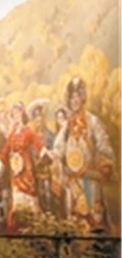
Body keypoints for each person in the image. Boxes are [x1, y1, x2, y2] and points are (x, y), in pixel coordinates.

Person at [53, 77, 115, 233]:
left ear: (82, 98)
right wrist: (55, 157)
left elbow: (104, 147)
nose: (74, 101)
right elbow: (58, 148)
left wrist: (105, 164)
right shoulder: (67, 126)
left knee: (95, 219)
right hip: (73, 182)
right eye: (72, 97)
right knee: (75, 222)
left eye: (77, 97)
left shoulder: (93, 121)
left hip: (91, 179)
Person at [0, 102, 50, 233]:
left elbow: (37, 144)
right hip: (15, 170)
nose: (16, 116)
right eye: (14, 113)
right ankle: (18, 228)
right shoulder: (12, 133)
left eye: (18, 113)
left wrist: (45, 153)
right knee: (16, 197)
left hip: (26, 169)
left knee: (29, 195)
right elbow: (6, 149)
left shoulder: (28, 131)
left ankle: (33, 228)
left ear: (22, 114)